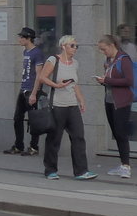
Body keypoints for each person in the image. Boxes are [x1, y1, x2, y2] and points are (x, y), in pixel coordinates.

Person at [31, 35, 97, 180]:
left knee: (79, 137)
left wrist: (81, 100)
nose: (75, 49)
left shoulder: (75, 63)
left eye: (76, 46)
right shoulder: (53, 60)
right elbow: (42, 77)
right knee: (54, 138)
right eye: (72, 46)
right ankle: (50, 170)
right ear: (63, 46)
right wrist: (56, 85)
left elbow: (75, 84)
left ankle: (81, 171)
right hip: (57, 105)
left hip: (72, 105)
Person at [95, 34, 134, 178]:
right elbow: (111, 80)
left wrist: (108, 80)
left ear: (112, 46)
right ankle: (123, 164)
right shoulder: (109, 60)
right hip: (110, 100)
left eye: (104, 49)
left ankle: (126, 166)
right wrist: (104, 81)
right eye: (101, 50)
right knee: (116, 133)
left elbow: (129, 80)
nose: (103, 52)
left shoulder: (124, 59)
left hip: (121, 102)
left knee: (121, 133)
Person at [5, 27, 44, 156]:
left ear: (28, 38)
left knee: (34, 120)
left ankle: (34, 147)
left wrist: (34, 93)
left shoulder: (37, 53)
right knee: (17, 118)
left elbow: (39, 75)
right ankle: (18, 145)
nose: (20, 39)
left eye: (22, 37)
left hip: (32, 90)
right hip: (23, 88)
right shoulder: (25, 52)